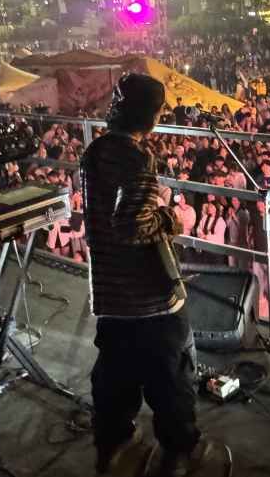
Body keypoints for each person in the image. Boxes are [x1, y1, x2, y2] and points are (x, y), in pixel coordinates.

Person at [82, 73, 218, 475]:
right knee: (171, 377)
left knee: (115, 376)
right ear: (152, 116)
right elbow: (132, 226)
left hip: (110, 292)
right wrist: (168, 216)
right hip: (150, 297)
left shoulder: (95, 151)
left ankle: (113, 446)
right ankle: (179, 453)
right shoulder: (138, 157)